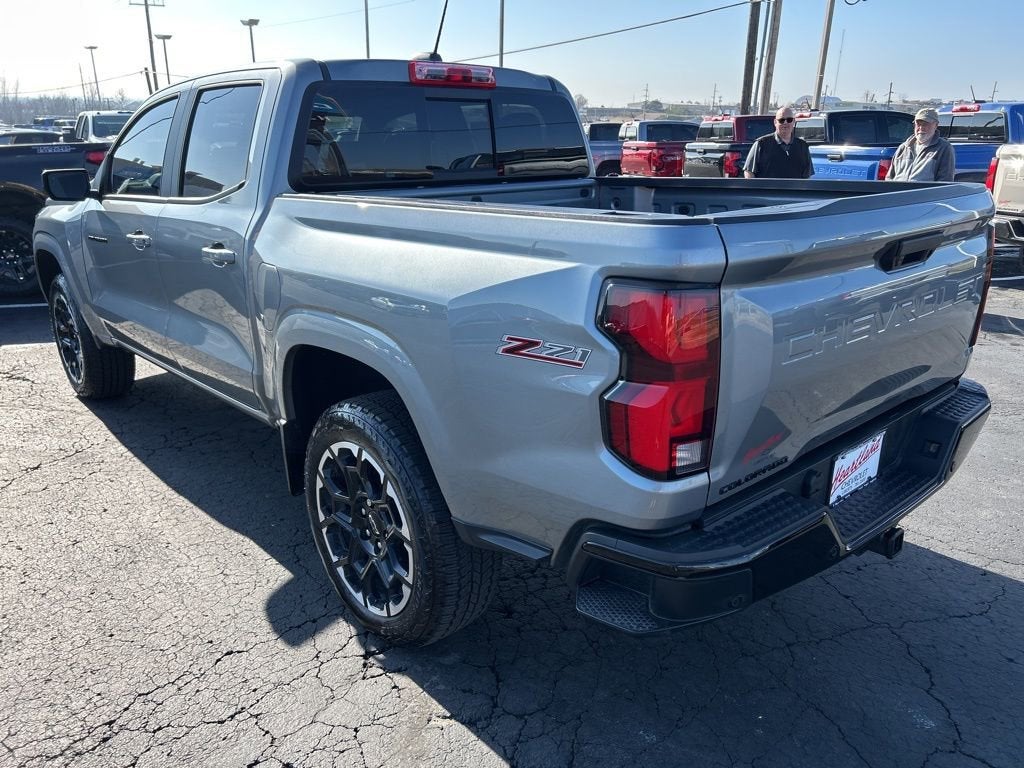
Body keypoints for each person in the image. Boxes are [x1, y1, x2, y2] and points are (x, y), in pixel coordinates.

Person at [886, 107, 954, 182]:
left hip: (924, 193)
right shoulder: (903, 148)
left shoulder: (944, 148)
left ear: (936, 125)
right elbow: (889, 178)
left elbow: (945, 182)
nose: (921, 128)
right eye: (918, 124)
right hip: (898, 193)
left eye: (925, 124)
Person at [743, 107, 813, 179]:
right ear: (775, 122)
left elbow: (807, 176)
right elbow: (749, 172)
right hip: (767, 190)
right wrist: (755, 190)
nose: (785, 123)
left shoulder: (802, 146)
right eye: (781, 120)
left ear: (793, 122)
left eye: (789, 120)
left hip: (794, 190)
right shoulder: (761, 144)